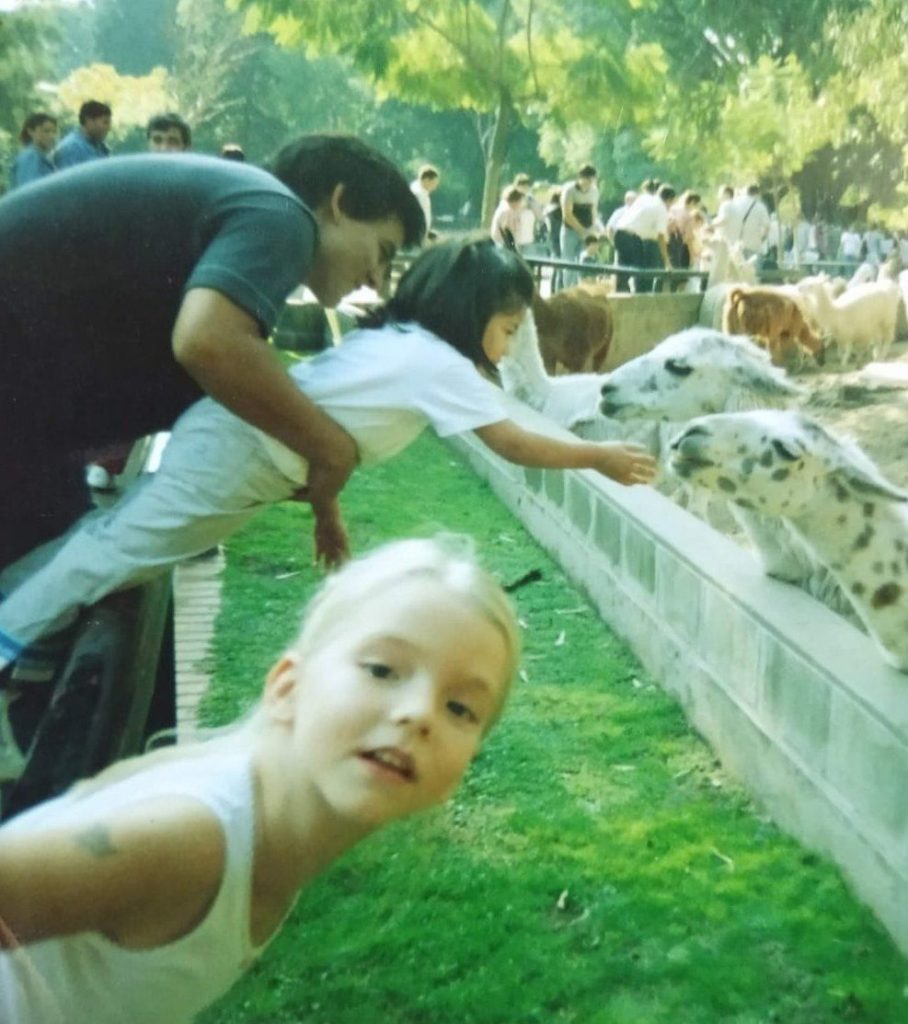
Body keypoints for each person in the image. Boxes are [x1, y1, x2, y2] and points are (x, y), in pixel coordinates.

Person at [0, 239, 656, 716]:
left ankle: (21, 618)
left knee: (114, 538)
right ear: (471, 312)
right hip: (241, 455)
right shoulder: (439, 364)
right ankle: (13, 635)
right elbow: (510, 442)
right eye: (509, 329)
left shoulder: (397, 340)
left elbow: (335, 435)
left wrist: (327, 514)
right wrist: (595, 456)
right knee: (123, 548)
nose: (510, 347)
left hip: (236, 446)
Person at [0, 535, 521, 1024]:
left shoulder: (271, 840)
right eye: (382, 670)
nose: (420, 713)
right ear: (287, 688)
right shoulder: (189, 839)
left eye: (461, 708)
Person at [0, 134, 425, 572]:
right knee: (43, 584)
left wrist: (323, 488)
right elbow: (208, 342)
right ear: (339, 202)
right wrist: (330, 449)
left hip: (30, 426)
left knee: (46, 573)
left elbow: (226, 371)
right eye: (383, 252)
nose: (378, 281)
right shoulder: (283, 216)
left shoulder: (246, 211)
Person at [86, 111, 197, 494]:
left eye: (173, 141)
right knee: (126, 384)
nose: (164, 147)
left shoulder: (194, 187)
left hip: (179, 298)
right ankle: (106, 463)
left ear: (185, 147)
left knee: (180, 387)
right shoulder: (131, 184)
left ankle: (174, 472)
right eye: (158, 139)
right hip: (135, 298)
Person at [559, 165, 601, 286]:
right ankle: (567, 290)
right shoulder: (569, 190)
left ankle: (579, 289)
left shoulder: (594, 191)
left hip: (587, 231)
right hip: (570, 231)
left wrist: (592, 231)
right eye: (587, 179)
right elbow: (567, 214)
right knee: (568, 264)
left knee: (582, 263)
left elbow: (593, 211)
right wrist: (581, 231)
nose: (589, 183)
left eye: (592, 180)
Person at [53, 100, 111, 169]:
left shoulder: (100, 147)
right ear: (89, 120)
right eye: (105, 122)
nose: (108, 127)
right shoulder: (70, 149)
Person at [8, 113, 57, 191]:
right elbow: (30, 191)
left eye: (54, 132)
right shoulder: (30, 157)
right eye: (46, 131)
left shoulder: (40, 156)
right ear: (31, 131)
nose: (52, 136)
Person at [737, 184, 770, 264]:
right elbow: (767, 227)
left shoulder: (737, 204)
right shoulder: (760, 207)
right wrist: (762, 239)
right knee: (753, 268)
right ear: (757, 194)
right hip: (754, 245)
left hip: (738, 245)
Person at [409, 164, 440, 238]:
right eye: (434, 183)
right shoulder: (419, 195)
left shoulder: (417, 190)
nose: (435, 187)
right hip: (416, 236)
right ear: (426, 180)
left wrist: (427, 232)